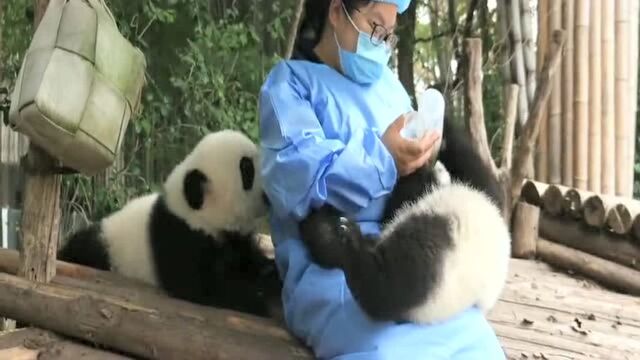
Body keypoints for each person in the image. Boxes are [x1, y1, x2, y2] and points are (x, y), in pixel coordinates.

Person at [258, 0, 506, 359]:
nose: (382, 42)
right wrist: (382, 157)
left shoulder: (390, 88)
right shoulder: (291, 86)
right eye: (376, 27)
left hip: (408, 256)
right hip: (333, 270)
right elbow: (297, 182)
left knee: (477, 343)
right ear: (336, 11)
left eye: (389, 35)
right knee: (387, 350)